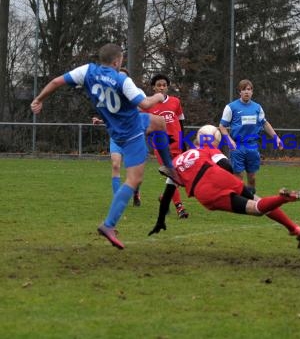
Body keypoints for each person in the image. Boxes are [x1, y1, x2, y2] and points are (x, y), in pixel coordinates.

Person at [30, 43, 183, 250]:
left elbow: (57, 81)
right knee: (134, 178)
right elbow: (146, 104)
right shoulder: (122, 79)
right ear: (117, 61)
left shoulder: (87, 71)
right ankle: (109, 225)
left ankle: (169, 167)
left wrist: (39, 99)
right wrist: (159, 96)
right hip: (132, 132)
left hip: (118, 128)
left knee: (158, 122)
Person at [148, 126, 300, 260]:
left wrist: (160, 221)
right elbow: (227, 166)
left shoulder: (177, 161)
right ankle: (295, 228)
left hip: (206, 190)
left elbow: (167, 196)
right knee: (259, 202)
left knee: (256, 209)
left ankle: (283, 200)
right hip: (221, 177)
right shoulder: (207, 150)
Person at [219, 79, 283, 195]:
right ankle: (239, 202)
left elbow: (264, 123)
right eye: (243, 90)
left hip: (252, 146)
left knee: (252, 177)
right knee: (238, 176)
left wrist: (276, 138)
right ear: (239, 92)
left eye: (249, 89)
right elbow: (222, 126)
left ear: (252, 92)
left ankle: (251, 198)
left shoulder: (257, 107)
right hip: (237, 146)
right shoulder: (231, 107)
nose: (246, 92)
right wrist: (229, 140)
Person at [92, 67, 142, 207]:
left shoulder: (136, 94)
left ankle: (136, 192)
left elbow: (144, 110)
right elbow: (112, 118)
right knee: (115, 165)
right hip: (116, 137)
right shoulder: (110, 96)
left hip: (133, 137)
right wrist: (100, 120)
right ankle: (117, 200)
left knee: (134, 171)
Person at [141, 74, 188, 218]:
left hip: (177, 145)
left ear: (167, 87)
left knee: (181, 176)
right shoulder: (148, 105)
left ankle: (164, 198)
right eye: (158, 85)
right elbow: (144, 125)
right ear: (153, 87)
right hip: (161, 147)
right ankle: (180, 208)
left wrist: (183, 141)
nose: (161, 87)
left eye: (164, 85)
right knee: (172, 175)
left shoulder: (175, 102)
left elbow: (180, 122)